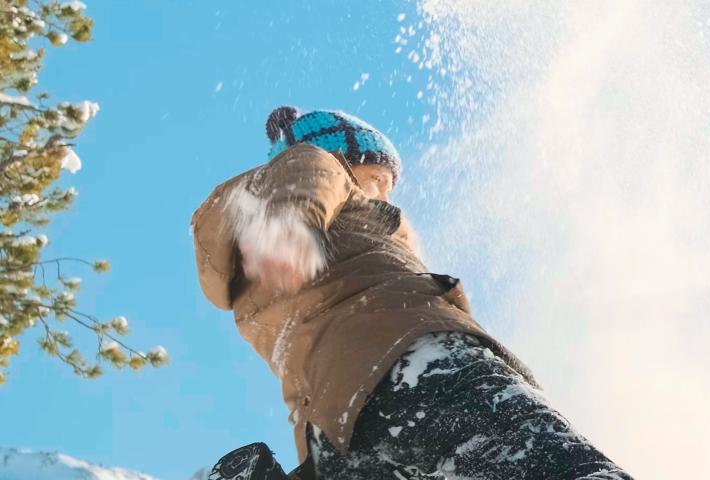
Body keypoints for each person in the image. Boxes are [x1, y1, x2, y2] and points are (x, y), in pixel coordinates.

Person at [191, 107, 630, 479]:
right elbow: (305, 179)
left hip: (338, 425)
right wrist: (289, 228)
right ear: (342, 157)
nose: (385, 193)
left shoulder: (248, 273)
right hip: (419, 362)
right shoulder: (310, 166)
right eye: (377, 178)